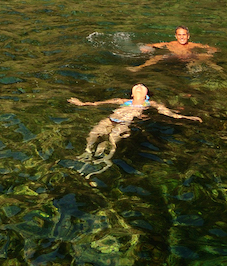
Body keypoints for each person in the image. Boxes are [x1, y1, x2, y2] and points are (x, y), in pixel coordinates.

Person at [69, 82, 201, 167]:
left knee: (113, 138)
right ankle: (87, 151)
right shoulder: (121, 100)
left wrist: (186, 117)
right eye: (136, 86)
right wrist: (81, 103)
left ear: (146, 94)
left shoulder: (150, 103)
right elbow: (97, 103)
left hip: (125, 123)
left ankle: (106, 158)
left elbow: (168, 113)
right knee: (94, 132)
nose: (139, 86)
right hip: (110, 119)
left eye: (142, 87)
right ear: (132, 94)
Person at [129, 26, 217, 71]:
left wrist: (211, 50)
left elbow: (210, 47)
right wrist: (146, 48)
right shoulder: (170, 44)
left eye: (184, 35)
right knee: (158, 57)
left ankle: (217, 68)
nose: (182, 37)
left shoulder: (193, 45)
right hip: (174, 57)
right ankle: (140, 67)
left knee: (206, 56)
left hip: (189, 57)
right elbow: (151, 45)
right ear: (176, 36)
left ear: (188, 36)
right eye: (179, 35)